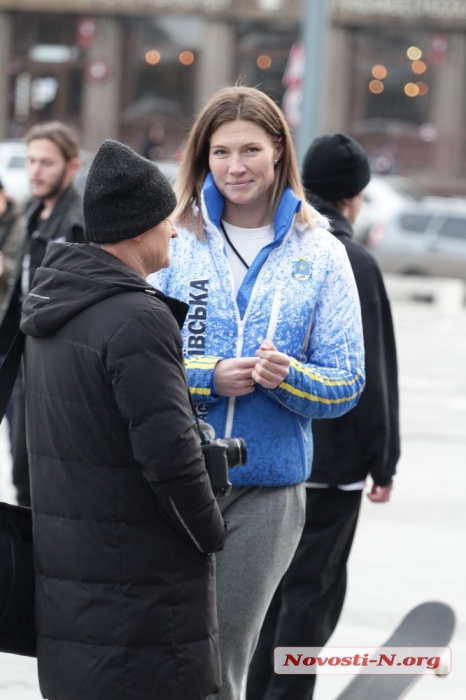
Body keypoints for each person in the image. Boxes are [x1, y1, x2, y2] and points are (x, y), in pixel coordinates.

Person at [148, 87, 366, 700]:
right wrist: (206, 374)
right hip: (173, 476)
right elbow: (137, 357)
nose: (234, 165)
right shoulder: (173, 239)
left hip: (268, 492)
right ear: (202, 156)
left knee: (221, 663)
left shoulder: (321, 253)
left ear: (278, 151)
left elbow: (347, 381)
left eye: (249, 149)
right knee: (161, 653)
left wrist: (288, 376)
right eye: (220, 151)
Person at [19, 139, 226, 700]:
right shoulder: (137, 318)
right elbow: (171, 455)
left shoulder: (52, 305)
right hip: (140, 600)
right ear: (137, 230)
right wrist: (212, 533)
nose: (175, 232)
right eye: (166, 220)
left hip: (71, 591)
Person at [246, 133, 400, 700]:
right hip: (334, 465)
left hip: (276, 451)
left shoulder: (278, 243)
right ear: (356, 197)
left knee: (266, 593)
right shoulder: (352, 260)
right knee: (311, 595)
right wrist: (384, 460)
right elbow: (374, 372)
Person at [0, 121, 85, 506]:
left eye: (46, 163)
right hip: (23, 358)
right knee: (21, 470)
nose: (35, 170)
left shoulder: (79, 222)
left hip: (59, 367)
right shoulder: (32, 214)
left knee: (51, 480)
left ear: (71, 166)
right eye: (31, 161)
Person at [0, 179, 26, 444]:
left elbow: (20, 272)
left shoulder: (20, 225)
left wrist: (4, 268)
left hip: (8, 338)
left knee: (14, 419)